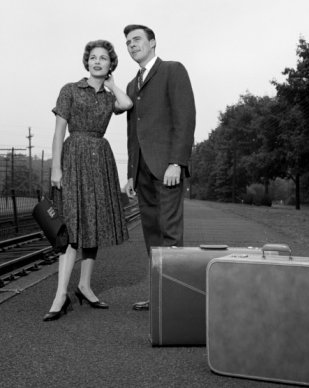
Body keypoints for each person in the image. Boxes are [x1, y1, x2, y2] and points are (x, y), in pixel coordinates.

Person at [43, 40, 133, 321]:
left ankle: (84, 286)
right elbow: (59, 132)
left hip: (100, 159)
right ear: (86, 62)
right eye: (92, 57)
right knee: (70, 226)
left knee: (93, 222)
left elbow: (127, 103)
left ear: (110, 65)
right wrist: (56, 168)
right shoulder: (69, 89)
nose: (97, 62)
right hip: (72, 157)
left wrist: (113, 84)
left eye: (103, 58)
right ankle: (61, 295)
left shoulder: (109, 97)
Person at [123, 25, 196, 311]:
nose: (132, 45)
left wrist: (177, 161)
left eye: (137, 39)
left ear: (152, 43)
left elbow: (185, 117)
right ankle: (158, 296)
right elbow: (133, 131)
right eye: (128, 42)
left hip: (167, 167)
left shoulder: (173, 70)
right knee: (152, 235)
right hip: (142, 171)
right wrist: (130, 172)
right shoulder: (131, 85)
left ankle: (174, 300)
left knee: (170, 234)